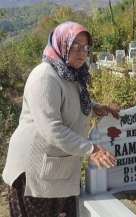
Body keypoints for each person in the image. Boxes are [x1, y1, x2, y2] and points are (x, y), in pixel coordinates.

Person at [2, 21, 118, 217]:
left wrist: (95, 107)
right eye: (75, 46)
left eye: (86, 47)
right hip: (35, 171)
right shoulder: (45, 77)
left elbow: (71, 101)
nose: (82, 52)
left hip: (58, 166)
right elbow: (52, 128)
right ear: (61, 44)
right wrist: (92, 149)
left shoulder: (71, 73)